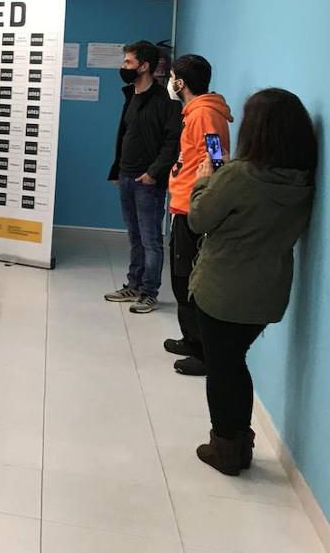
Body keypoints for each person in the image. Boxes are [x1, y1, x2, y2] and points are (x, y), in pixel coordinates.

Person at [187, 88, 315, 476]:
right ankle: (239, 442)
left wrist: (203, 180)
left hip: (223, 290)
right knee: (234, 364)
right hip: (267, 292)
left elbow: (198, 220)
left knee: (222, 370)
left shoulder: (239, 175)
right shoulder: (301, 181)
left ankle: (225, 449)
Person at [163, 55, 233, 376]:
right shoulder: (194, 112)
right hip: (184, 204)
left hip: (194, 208)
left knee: (186, 281)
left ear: (181, 83)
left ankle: (202, 352)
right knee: (180, 279)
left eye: (173, 77)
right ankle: (190, 339)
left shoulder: (204, 113)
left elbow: (216, 158)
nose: (171, 82)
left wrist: (204, 196)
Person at [104, 41, 182, 314]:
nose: (123, 67)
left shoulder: (166, 102)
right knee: (134, 236)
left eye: (128, 62)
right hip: (126, 175)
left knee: (151, 240)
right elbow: (125, 136)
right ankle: (133, 285)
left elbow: (172, 143)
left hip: (148, 180)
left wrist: (154, 173)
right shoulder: (131, 95)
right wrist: (118, 169)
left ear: (144, 66)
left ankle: (150, 292)